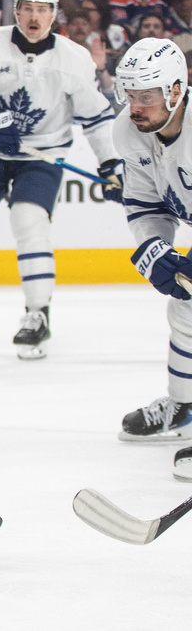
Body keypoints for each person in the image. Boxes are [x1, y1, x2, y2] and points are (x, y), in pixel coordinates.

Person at [0, 0, 122, 359]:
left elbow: (97, 117)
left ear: (54, 14)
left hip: (42, 156)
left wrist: (111, 162)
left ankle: (37, 315)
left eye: (43, 9)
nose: (35, 17)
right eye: (27, 8)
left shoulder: (74, 59)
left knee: (29, 221)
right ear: (15, 11)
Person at [110, 38, 192, 451]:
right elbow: (145, 203)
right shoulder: (130, 130)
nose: (135, 106)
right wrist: (155, 247)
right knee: (186, 309)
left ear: (176, 91)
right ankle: (183, 407)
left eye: (146, 96)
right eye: (130, 95)